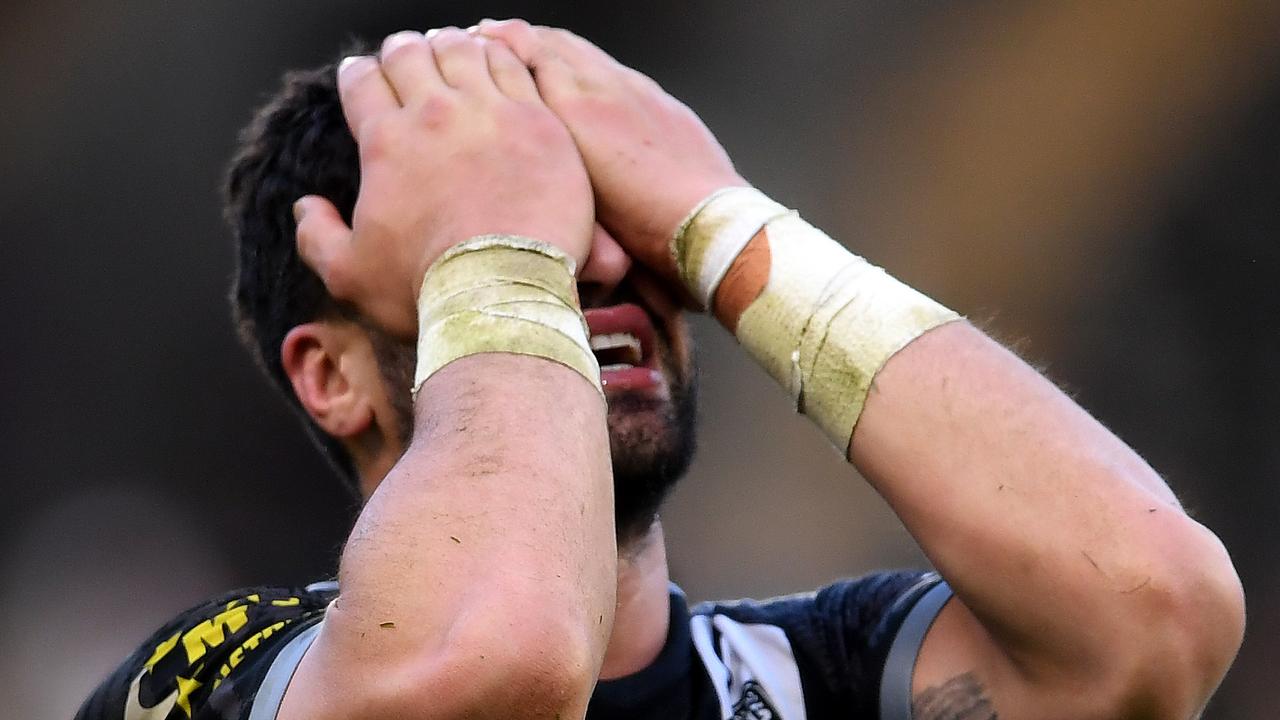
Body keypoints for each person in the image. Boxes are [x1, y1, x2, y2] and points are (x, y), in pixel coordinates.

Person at [76, 20, 1244, 720]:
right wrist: (497, 264)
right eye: (513, 232)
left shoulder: (814, 680)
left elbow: (1153, 610)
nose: (593, 261)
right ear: (329, 375)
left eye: (614, 215)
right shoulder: (217, 679)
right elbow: (494, 667)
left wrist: (723, 223)